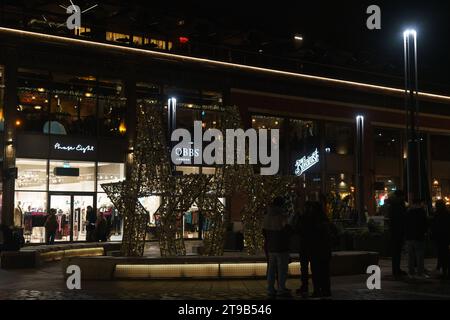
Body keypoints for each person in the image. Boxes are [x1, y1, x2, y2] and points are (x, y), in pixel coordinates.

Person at [263, 196, 291, 298]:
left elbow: (264, 231)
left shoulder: (267, 215)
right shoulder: (281, 216)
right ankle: (281, 289)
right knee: (282, 269)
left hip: (270, 246)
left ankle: (270, 289)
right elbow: (287, 229)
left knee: (271, 268)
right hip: (281, 245)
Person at [303, 201, 332, 298]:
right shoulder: (324, 218)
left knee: (316, 272)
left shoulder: (311, 219)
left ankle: (317, 290)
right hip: (325, 250)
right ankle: (326, 290)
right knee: (325, 271)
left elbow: (308, 233)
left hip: (315, 250)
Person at [405, 199, 429, 279]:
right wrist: (424, 232)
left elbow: (405, 224)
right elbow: (424, 225)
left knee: (410, 256)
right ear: (420, 204)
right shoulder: (421, 212)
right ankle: (420, 272)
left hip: (409, 237)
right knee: (419, 256)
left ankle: (411, 272)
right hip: (419, 237)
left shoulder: (408, 212)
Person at [388, 190, 407, 278]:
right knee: (397, 251)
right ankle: (396, 270)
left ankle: (395, 269)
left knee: (395, 252)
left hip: (393, 231)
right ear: (400, 196)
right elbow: (402, 218)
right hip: (398, 231)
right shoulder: (400, 205)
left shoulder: (392, 205)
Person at [431, 200, 450, 279]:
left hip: (439, 237)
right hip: (446, 236)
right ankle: (446, 271)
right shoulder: (447, 214)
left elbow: (434, 226)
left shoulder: (436, 214)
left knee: (441, 254)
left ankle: (443, 270)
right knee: (446, 253)